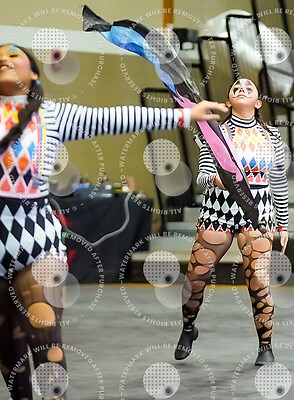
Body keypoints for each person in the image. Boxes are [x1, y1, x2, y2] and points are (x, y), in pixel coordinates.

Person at [0, 43, 227, 400]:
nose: (3, 58)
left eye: (14, 54)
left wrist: (185, 116)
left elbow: (116, 117)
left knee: (45, 340)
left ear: (33, 71)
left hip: (36, 239)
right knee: (7, 350)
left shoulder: (51, 114)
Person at [174, 78, 289, 366]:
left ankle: (265, 345)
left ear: (258, 102)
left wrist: (283, 223)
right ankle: (188, 327)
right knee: (196, 277)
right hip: (218, 208)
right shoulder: (214, 133)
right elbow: (202, 176)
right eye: (236, 87)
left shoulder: (271, 135)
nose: (242, 88)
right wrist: (218, 180)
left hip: (258, 211)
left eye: (249, 87)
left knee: (258, 281)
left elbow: (278, 180)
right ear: (228, 102)